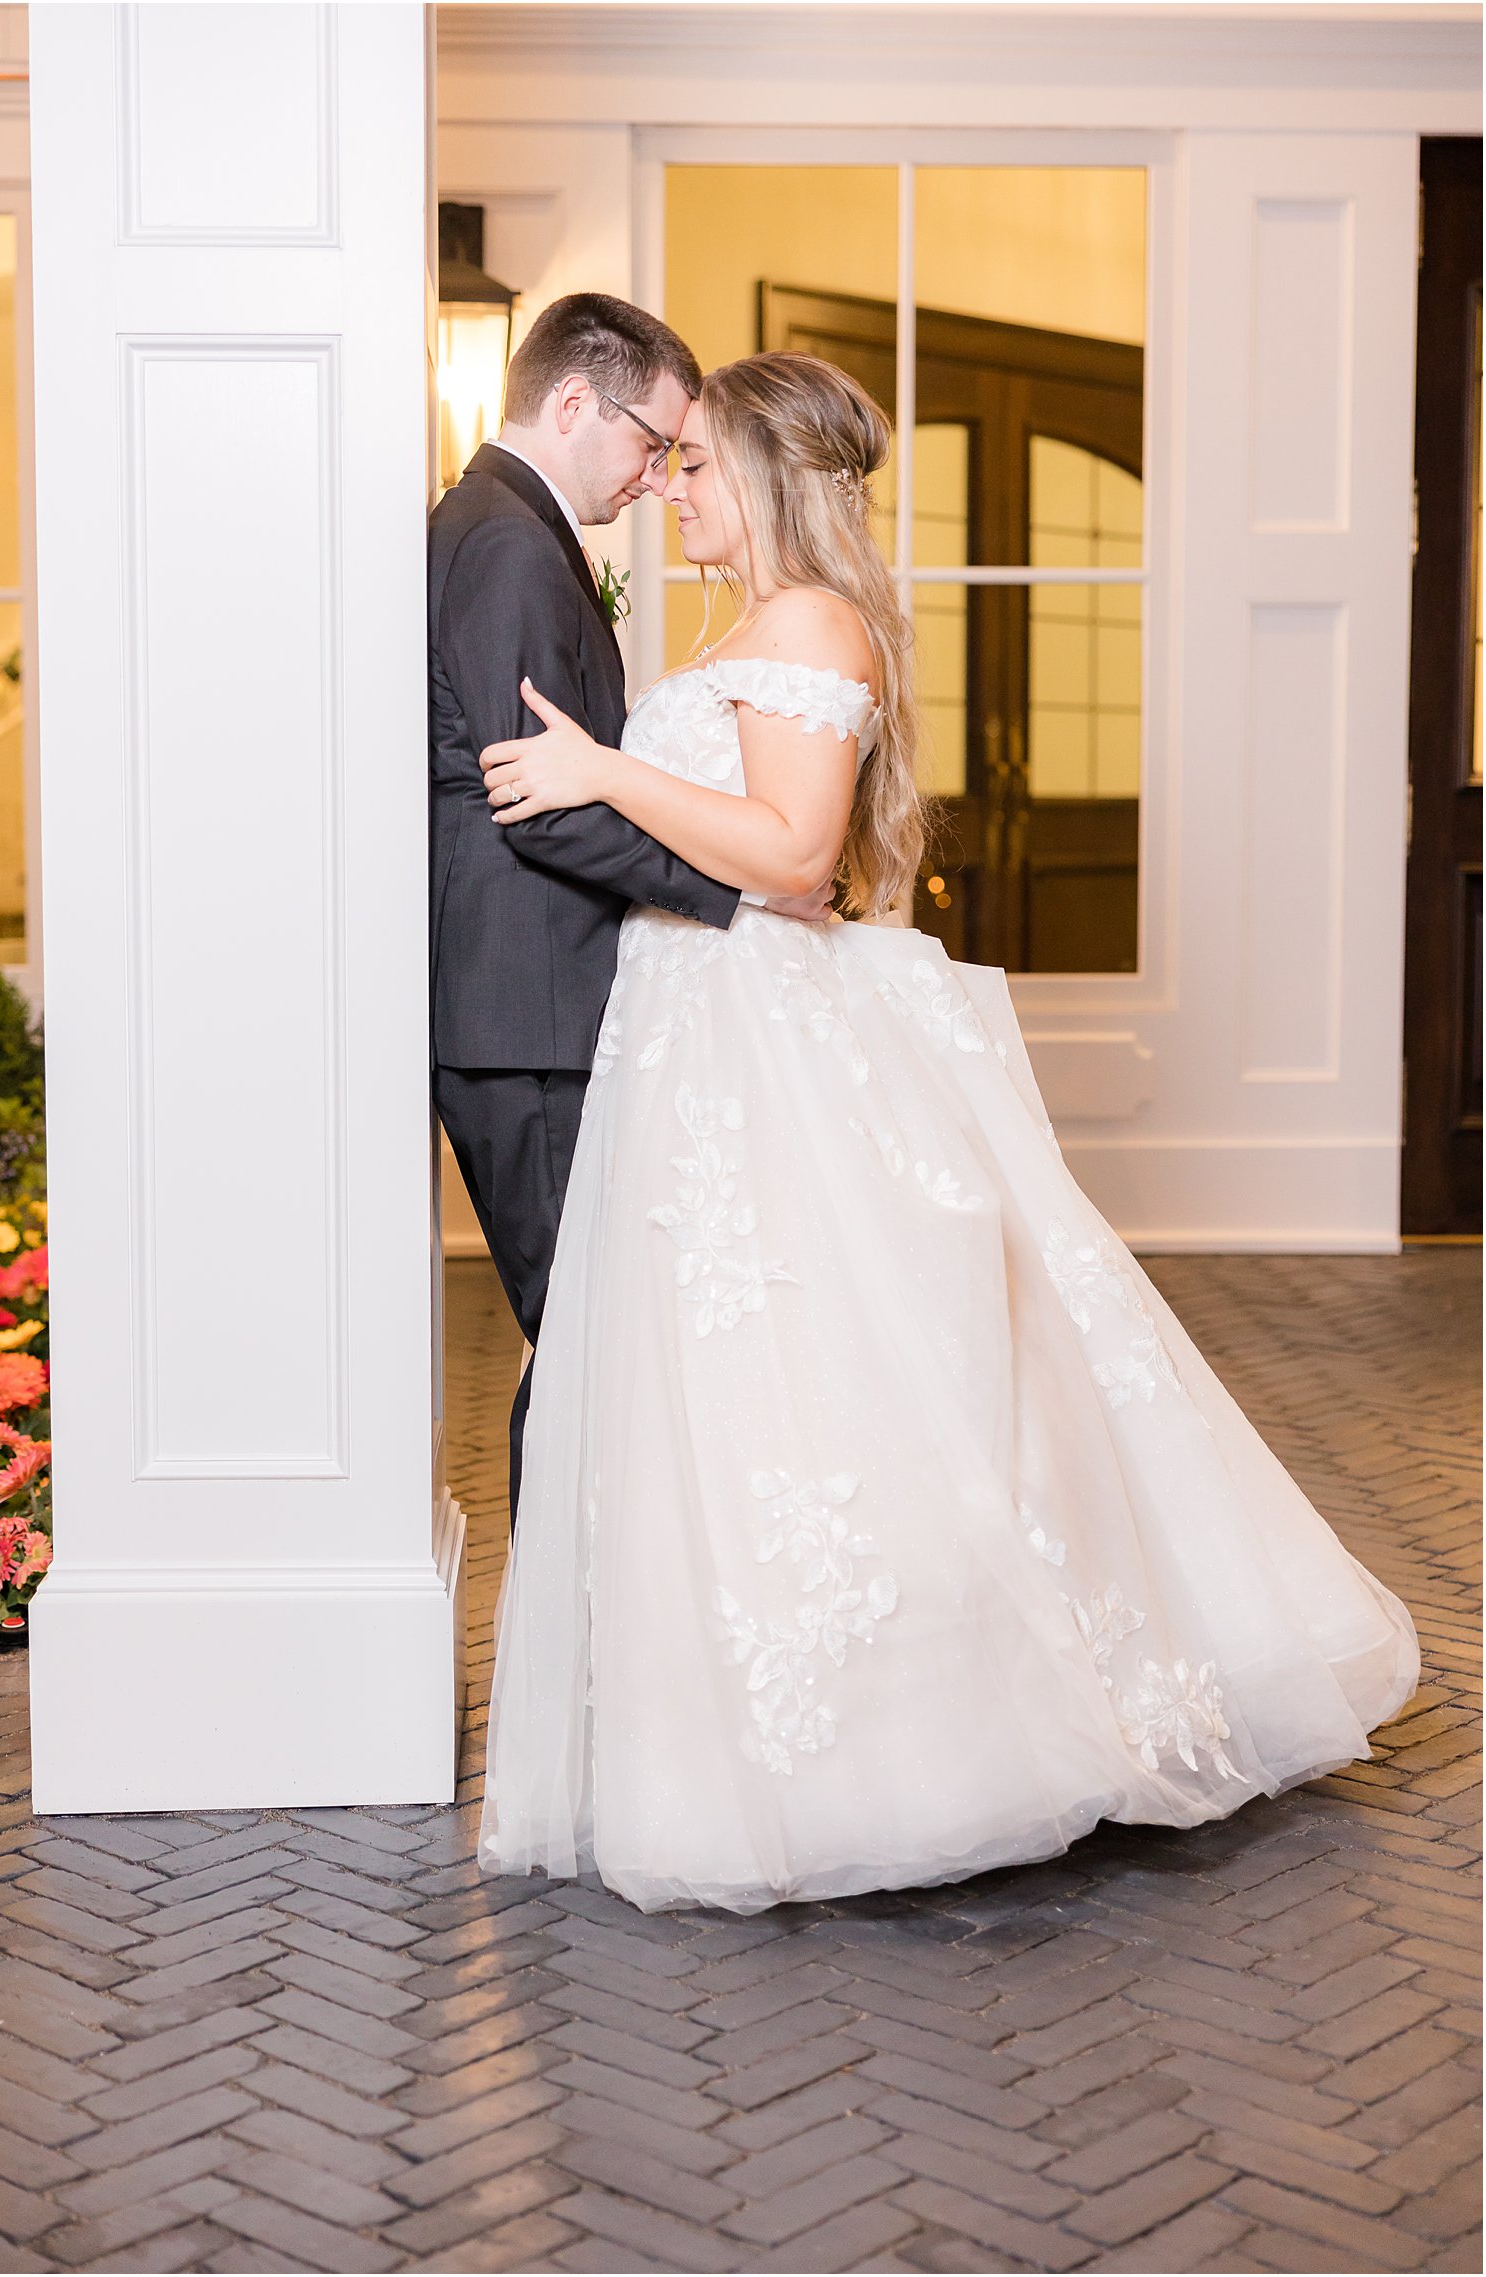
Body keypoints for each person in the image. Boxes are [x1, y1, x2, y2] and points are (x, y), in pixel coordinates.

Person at [473, 350, 1419, 1916]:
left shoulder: (812, 624)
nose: (674, 487)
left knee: (835, 1371)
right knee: (740, 1388)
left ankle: (945, 1736)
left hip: (763, 1037)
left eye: (697, 465)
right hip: (705, 1046)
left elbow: (791, 856)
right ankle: (757, 1739)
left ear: (767, 478)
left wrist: (600, 768)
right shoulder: (754, 625)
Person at [428, 296, 830, 1529]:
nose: (657, 476)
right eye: (651, 441)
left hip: (539, 1000)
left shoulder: (498, 526)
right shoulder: (505, 542)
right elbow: (535, 800)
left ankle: (587, 1640)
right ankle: (578, 1640)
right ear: (569, 406)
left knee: (605, 1339)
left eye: (679, 455)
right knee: (597, 1342)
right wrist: (741, 893)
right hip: (528, 1009)